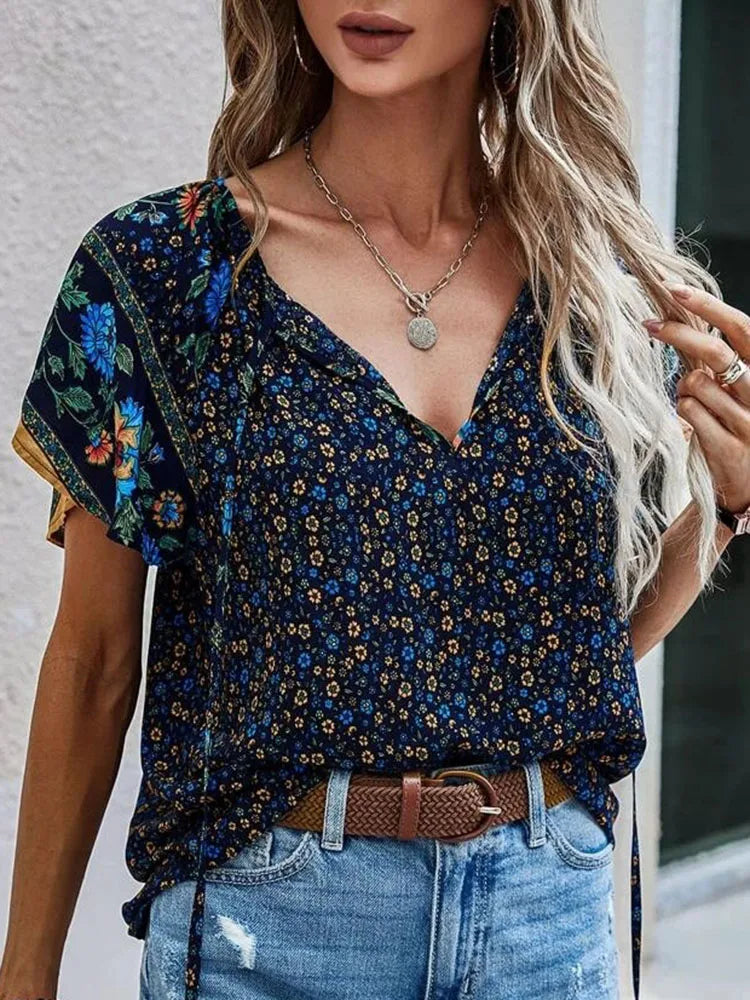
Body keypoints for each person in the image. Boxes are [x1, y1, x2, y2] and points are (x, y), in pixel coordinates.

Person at [3, 1, 750, 999]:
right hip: (274, 923)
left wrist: (727, 507)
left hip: (545, 918)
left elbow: (580, 648)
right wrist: (25, 975)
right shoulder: (167, 270)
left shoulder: (593, 282)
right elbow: (94, 660)